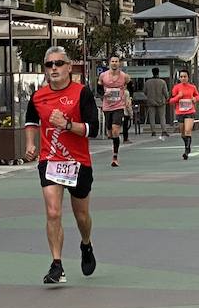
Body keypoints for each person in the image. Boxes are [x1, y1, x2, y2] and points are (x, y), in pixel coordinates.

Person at [24, 45, 100, 286]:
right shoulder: (38, 96)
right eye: (49, 65)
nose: (54, 68)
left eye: (58, 63)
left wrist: (67, 125)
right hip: (50, 161)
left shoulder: (82, 93)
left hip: (78, 162)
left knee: (81, 215)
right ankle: (57, 265)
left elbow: (93, 129)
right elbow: (30, 122)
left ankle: (86, 244)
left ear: (69, 67)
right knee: (53, 211)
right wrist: (30, 144)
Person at [98, 55, 131, 167]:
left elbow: (131, 86)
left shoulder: (124, 77)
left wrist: (128, 99)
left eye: (116, 61)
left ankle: (115, 156)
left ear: (119, 63)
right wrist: (103, 94)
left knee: (116, 131)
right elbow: (98, 89)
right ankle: (113, 136)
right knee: (110, 132)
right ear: (109, 63)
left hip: (119, 106)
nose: (114, 63)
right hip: (107, 106)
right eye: (112, 61)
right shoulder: (103, 76)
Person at [168, 68, 199, 159]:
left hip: (190, 111)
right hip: (180, 112)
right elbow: (171, 101)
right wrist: (179, 96)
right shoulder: (176, 88)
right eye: (181, 77)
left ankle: (186, 150)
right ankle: (187, 145)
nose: (183, 78)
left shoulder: (192, 87)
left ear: (188, 77)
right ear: (179, 78)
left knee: (188, 131)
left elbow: (198, 96)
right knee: (182, 133)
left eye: (185, 76)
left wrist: (195, 99)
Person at [143, 67, 170, 137]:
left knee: (152, 117)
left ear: (152, 72)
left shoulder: (147, 82)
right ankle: (164, 131)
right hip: (161, 101)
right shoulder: (162, 82)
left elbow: (145, 92)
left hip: (151, 102)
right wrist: (167, 98)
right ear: (158, 73)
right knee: (162, 117)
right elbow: (165, 92)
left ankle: (153, 131)